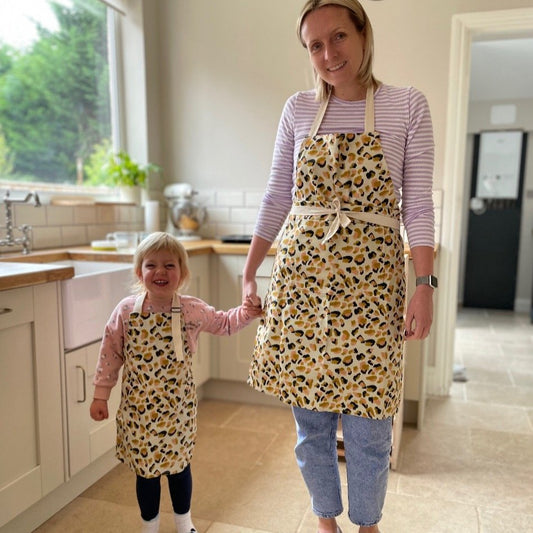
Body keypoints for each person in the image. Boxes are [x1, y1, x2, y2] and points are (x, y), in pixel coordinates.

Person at [243, 1, 436, 532]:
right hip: (302, 283)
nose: (329, 54)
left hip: (373, 288)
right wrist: (250, 268)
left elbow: (418, 204)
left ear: (362, 34)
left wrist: (425, 284)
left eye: (339, 37)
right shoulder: (298, 109)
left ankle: (368, 524)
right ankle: (325, 520)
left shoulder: (406, 105)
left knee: (371, 425)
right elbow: (277, 194)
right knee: (311, 423)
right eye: (315, 45)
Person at [90, 232, 262, 533]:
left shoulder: (191, 310)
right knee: (146, 474)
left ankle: (184, 523)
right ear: (138, 272)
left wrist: (247, 311)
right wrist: (100, 395)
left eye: (170, 265)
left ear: (182, 273)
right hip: (139, 414)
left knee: (179, 469)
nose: (160, 272)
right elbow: (110, 353)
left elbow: (223, 323)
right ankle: (150, 525)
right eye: (151, 265)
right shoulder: (127, 311)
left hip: (177, 412)